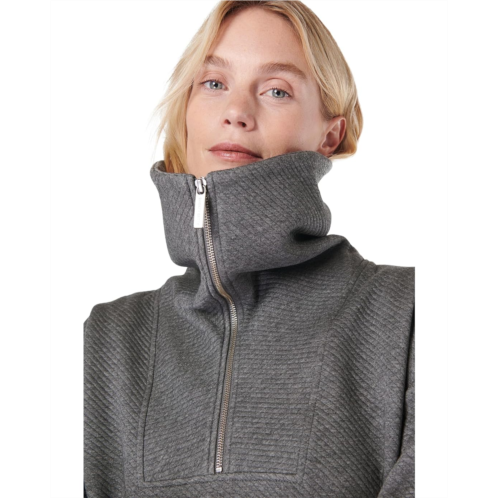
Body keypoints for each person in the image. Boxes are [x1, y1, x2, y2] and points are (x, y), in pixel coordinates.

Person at [84, 1, 415, 497]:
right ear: (186, 109)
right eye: (213, 83)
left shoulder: (411, 314)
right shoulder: (104, 342)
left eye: (276, 90)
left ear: (330, 134)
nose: (236, 112)